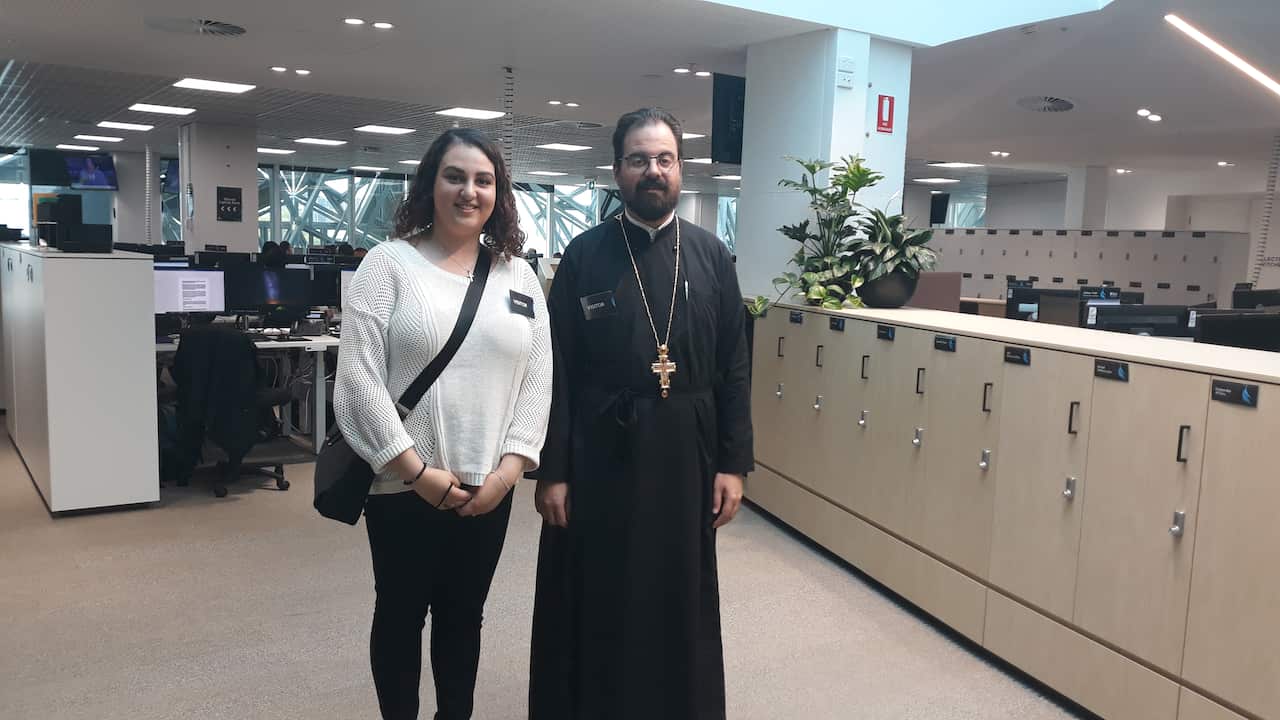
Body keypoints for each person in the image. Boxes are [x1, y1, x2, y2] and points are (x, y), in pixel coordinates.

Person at [528, 108, 753, 720]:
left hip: (688, 452)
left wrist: (734, 463)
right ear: (617, 170)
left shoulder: (712, 257)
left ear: (680, 169)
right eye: (638, 160)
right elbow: (558, 371)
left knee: (676, 592)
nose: (652, 171)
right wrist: (554, 470)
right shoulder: (583, 255)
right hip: (601, 451)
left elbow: (735, 365)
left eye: (664, 159)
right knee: (601, 591)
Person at [334, 128, 552, 720]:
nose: (468, 191)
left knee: (464, 617)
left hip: (488, 489)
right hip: (404, 484)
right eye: (454, 176)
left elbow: (537, 379)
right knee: (402, 614)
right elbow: (358, 380)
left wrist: (509, 472)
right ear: (430, 184)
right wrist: (416, 471)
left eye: (483, 180)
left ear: (499, 194)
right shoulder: (389, 264)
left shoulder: (520, 277)